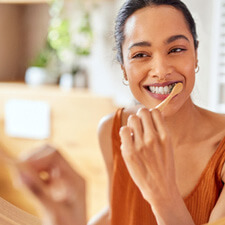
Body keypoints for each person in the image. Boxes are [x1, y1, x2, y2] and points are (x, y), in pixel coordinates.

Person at [17, 0, 225, 224]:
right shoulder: (112, 130)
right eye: (140, 55)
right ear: (124, 69)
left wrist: (162, 194)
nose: (161, 71)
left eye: (176, 50)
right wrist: (69, 217)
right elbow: (118, 210)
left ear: (195, 55)